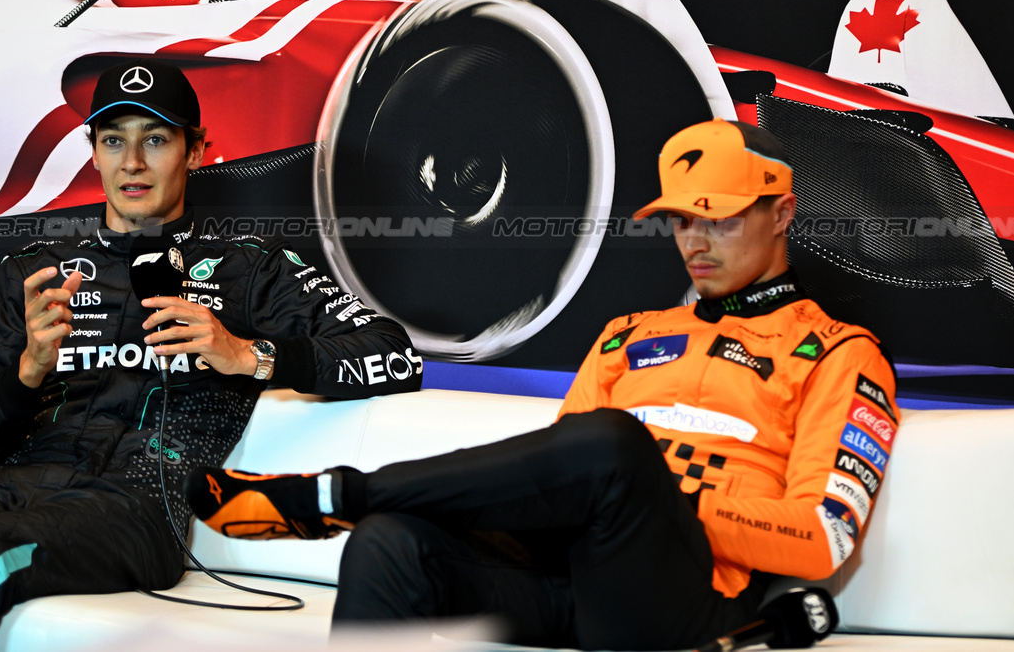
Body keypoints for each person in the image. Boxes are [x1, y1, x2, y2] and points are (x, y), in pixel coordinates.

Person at [183, 118, 899, 651]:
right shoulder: (629, 334)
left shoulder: (839, 354)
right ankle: (356, 505)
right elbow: (562, 474)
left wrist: (661, 496)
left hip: (677, 601)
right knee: (389, 543)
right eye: (680, 219)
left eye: (719, 217)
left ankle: (334, 492)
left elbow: (823, 540)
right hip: (568, 578)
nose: (694, 241)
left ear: (782, 214)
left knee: (614, 448)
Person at [0, 60, 422, 648]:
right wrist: (27, 370)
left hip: (139, 509)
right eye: (114, 140)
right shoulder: (32, 270)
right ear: (93, 152)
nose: (132, 162)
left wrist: (247, 354)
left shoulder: (253, 267)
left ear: (195, 152)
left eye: (156, 140)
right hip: (15, 486)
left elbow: (396, 357)